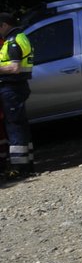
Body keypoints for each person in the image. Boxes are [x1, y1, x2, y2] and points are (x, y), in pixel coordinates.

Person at [0, 11, 35, 178]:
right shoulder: (18, 38)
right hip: (16, 87)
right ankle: (27, 165)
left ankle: (21, 169)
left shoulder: (13, 41)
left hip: (12, 87)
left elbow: (15, 68)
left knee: (14, 126)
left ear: (5, 25)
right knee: (20, 125)